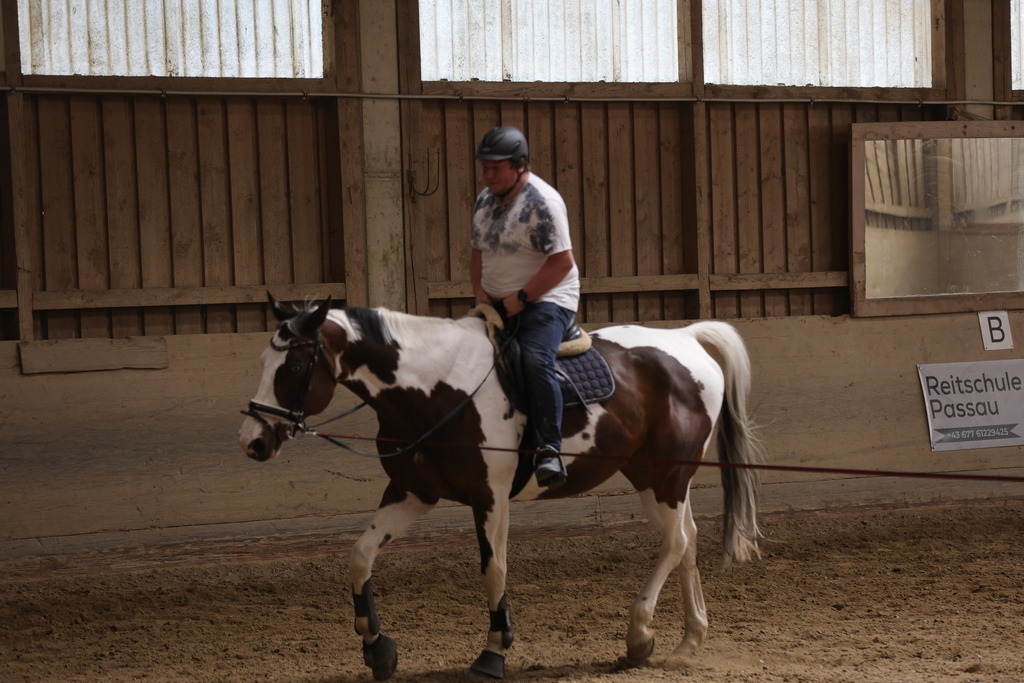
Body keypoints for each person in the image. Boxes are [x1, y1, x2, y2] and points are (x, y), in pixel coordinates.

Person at [470, 125, 581, 489]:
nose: (487, 175)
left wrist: (521, 299)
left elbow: (562, 261)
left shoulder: (542, 202)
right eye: (484, 168)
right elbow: (477, 253)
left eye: (495, 168)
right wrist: (481, 297)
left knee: (535, 360)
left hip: (547, 299)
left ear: (519, 165)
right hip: (499, 302)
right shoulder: (485, 200)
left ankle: (549, 448)